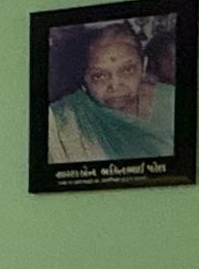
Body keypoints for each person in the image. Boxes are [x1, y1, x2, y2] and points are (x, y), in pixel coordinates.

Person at [44, 21, 176, 164]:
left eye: (127, 70)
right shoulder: (62, 120)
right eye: (99, 76)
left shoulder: (173, 102)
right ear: (84, 78)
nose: (115, 85)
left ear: (143, 66)